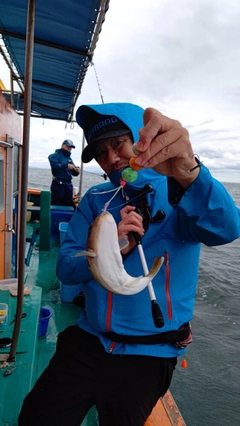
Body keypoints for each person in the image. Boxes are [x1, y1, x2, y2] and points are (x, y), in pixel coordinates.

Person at [19, 103, 240, 426]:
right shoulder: (96, 199)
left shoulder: (182, 194)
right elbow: (66, 268)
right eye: (100, 152)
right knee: (36, 416)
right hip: (91, 337)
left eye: (118, 144)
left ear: (141, 141)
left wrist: (190, 171)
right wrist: (110, 248)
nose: (110, 159)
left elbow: (226, 229)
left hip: (149, 354)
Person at [48, 139, 80, 207]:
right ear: (62, 145)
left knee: (68, 204)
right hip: (58, 184)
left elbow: (74, 174)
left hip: (68, 185)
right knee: (55, 203)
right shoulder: (54, 156)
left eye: (71, 147)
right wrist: (66, 165)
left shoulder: (69, 159)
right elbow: (54, 166)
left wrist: (76, 170)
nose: (69, 148)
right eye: (67, 146)